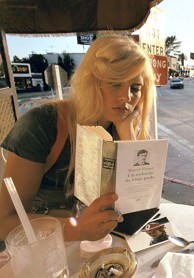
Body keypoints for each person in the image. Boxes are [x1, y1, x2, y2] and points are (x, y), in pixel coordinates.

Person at [0, 35, 156, 242]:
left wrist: (127, 132)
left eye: (135, 88)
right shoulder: (43, 124)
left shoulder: (118, 125)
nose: (126, 97)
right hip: (39, 249)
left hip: (94, 244)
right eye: (115, 83)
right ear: (92, 82)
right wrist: (75, 230)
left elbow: (135, 201)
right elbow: (4, 221)